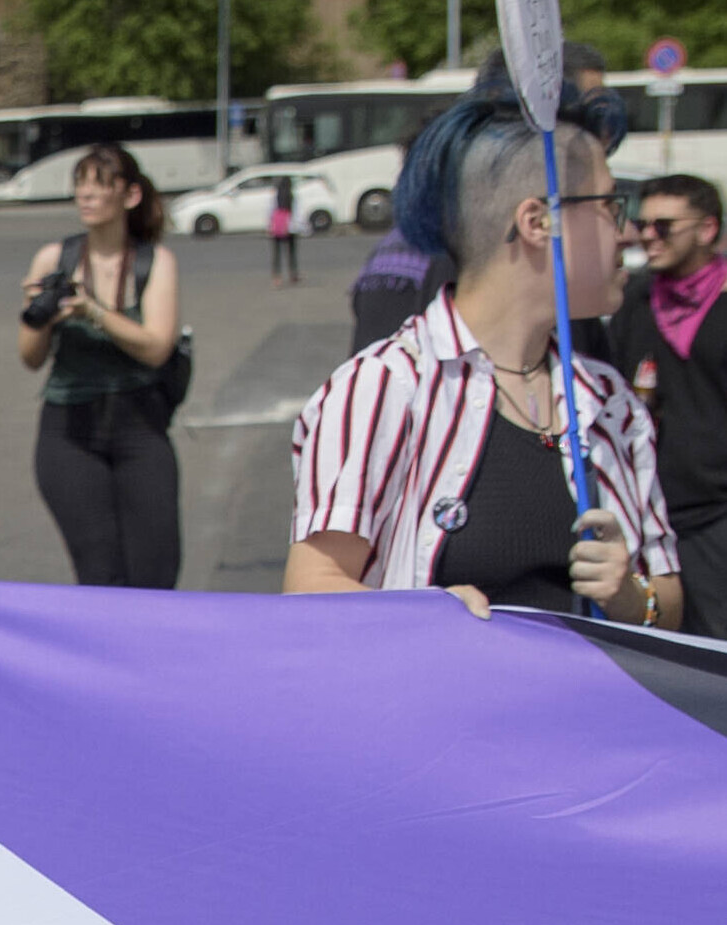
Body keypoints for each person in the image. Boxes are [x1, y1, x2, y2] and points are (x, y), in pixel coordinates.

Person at [289, 78, 679, 627]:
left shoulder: (608, 400)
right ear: (537, 222)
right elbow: (309, 591)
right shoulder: (383, 386)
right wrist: (425, 613)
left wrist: (630, 596)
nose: (630, 232)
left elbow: (668, 602)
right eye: (613, 206)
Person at [17, 143, 185, 589]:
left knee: (156, 574)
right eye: (79, 187)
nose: (86, 197)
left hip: (140, 428)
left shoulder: (155, 261)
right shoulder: (54, 259)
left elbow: (156, 348)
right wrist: (41, 312)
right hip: (69, 431)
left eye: (99, 186)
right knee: (101, 575)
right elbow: (30, 358)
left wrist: (92, 312)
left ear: (129, 196)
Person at [614, 174, 725, 637]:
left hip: (717, 514)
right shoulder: (635, 300)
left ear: (707, 230)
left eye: (664, 226)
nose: (647, 236)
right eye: (642, 224)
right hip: (655, 516)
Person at [268, 178, 301, 287]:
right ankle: (293, 274)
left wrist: (270, 226)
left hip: (278, 227)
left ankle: (277, 277)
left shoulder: (275, 197)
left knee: (277, 254)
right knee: (291, 252)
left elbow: (270, 211)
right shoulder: (292, 196)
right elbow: (297, 213)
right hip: (290, 227)